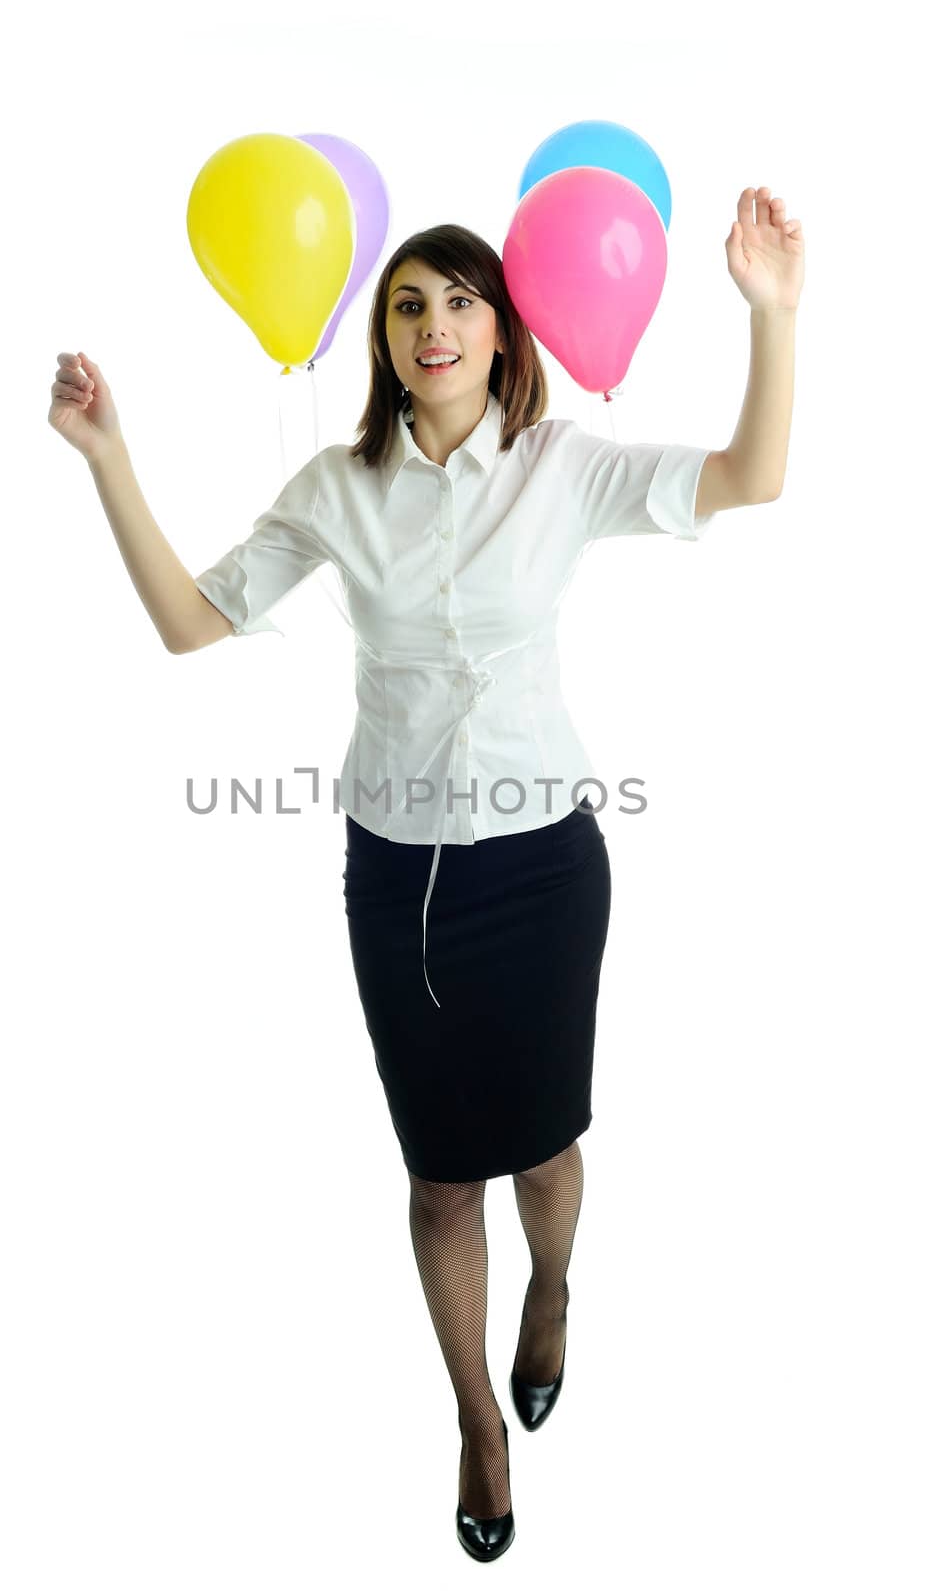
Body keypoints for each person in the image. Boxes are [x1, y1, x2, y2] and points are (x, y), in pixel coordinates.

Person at [48, 224, 755, 1563]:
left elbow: (751, 475)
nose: (431, 326)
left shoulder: (561, 468)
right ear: (382, 339)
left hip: (543, 863)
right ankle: (478, 1421)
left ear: (503, 331)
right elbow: (190, 623)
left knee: (543, 1150)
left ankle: (552, 1292)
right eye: (405, 306)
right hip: (399, 879)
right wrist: (109, 461)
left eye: (460, 303)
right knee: (440, 1181)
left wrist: (769, 307)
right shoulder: (338, 486)